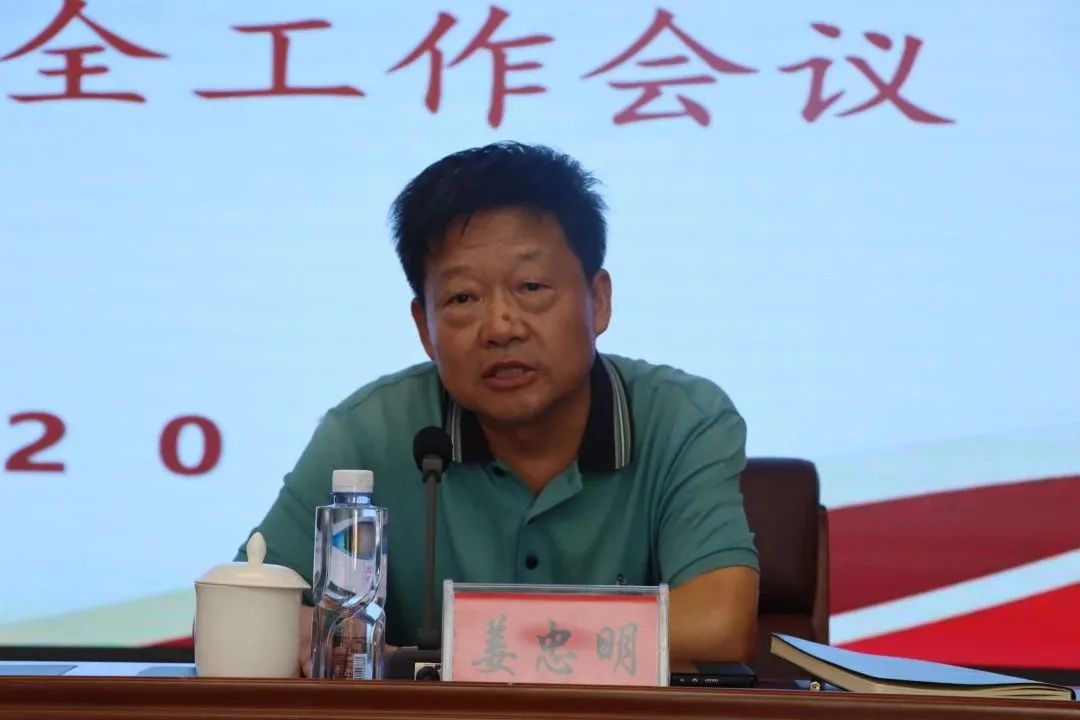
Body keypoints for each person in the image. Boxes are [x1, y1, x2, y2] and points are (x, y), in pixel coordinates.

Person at [238, 141, 759, 675]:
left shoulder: (683, 420)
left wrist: (476, 648)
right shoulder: (370, 432)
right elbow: (246, 611)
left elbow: (719, 624)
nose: (501, 326)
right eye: (463, 298)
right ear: (424, 327)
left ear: (598, 300)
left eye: (531, 286)